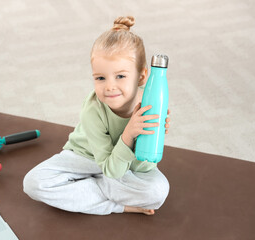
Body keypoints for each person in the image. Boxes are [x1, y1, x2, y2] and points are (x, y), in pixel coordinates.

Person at [23, 16, 170, 215]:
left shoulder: (151, 104)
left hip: (123, 167)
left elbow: (140, 168)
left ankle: (83, 190)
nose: (109, 86)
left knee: (157, 192)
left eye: (120, 76)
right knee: (33, 183)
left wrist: (149, 139)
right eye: (100, 78)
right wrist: (128, 135)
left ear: (142, 76)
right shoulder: (92, 108)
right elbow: (111, 169)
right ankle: (116, 204)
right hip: (86, 157)